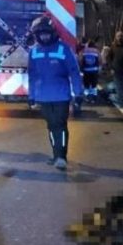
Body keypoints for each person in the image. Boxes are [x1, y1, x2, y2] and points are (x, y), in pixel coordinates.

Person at [27, 16, 83, 171]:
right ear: (36, 35)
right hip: (43, 97)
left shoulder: (63, 49)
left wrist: (78, 93)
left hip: (61, 96)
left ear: (52, 33)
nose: (44, 36)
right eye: (41, 33)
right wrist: (31, 97)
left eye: (47, 33)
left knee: (60, 125)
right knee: (51, 126)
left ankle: (61, 157)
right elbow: (32, 76)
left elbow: (74, 71)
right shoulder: (34, 52)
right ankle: (55, 154)